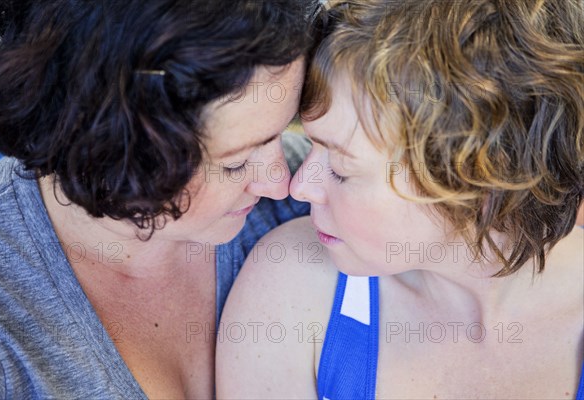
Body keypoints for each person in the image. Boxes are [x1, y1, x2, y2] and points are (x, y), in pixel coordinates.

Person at [216, 0, 584, 399]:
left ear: (483, 186)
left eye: (341, 168)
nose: (298, 187)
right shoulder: (292, 289)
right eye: (309, 146)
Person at [0, 0, 321, 398]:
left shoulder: (317, 201)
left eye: (281, 133)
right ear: (109, 147)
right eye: (236, 163)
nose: (282, 183)